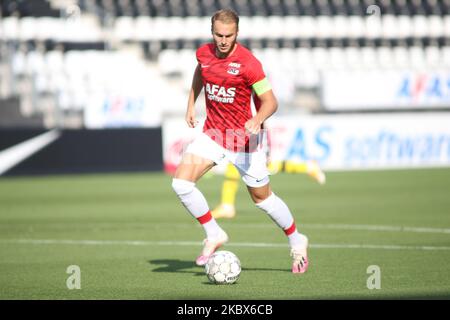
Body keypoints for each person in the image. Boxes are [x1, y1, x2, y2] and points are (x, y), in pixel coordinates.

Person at [171, 9, 308, 274]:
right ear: (212, 32)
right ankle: (214, 233)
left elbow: (271, 101)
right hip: (214, 134)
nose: (223, 40)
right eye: (218, 35)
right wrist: (191, 104)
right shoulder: (204, 53)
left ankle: (296, 238)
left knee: (262, 200)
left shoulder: (249, 64)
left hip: (245, 139)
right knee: (181, 183)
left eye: (228, 35)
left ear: (237, 34)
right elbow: (201, 73)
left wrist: (257, 120)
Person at [212, 159, 326, 219]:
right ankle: (227, 206)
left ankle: (307, 167)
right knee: (234, 165)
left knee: (266, 166)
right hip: (243, 132)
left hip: (252, 133)